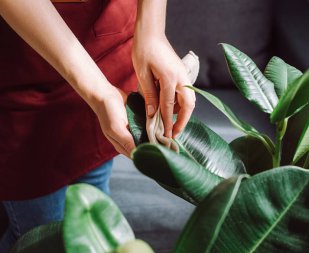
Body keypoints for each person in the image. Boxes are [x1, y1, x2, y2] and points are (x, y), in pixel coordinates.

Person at [0, 0, 195, 251]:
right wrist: (100, 94)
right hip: (23, 63)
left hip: (108, 42)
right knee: (41, 236)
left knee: (95, 204)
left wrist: (152, 31)